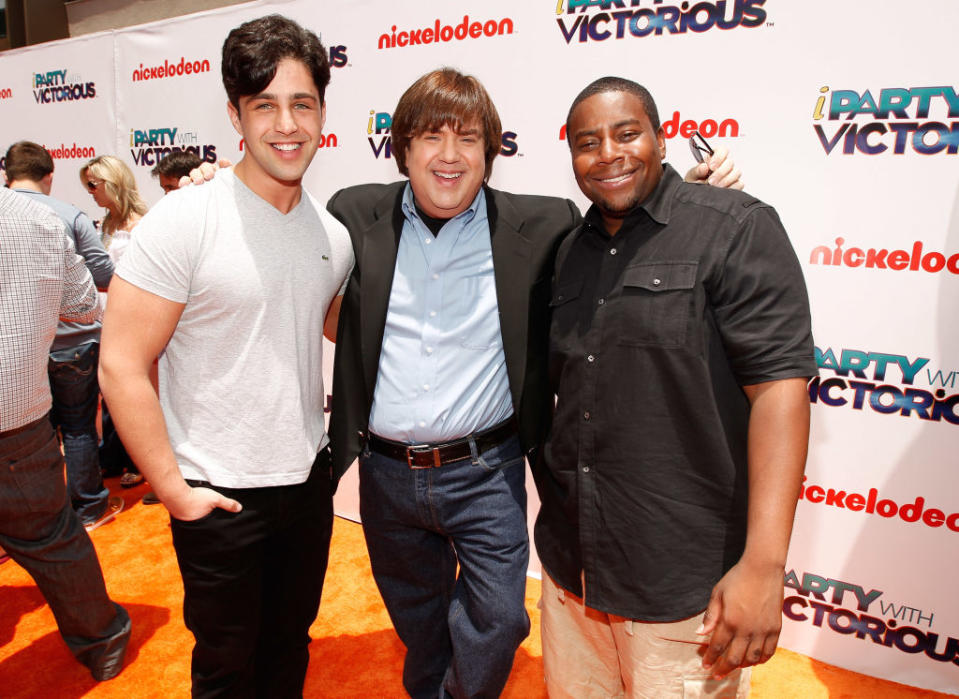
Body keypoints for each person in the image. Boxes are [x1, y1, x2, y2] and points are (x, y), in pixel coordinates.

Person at [325, 68, 741, 698]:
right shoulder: (353, 215)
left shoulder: (544, 226)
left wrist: (693, 197)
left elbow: (625, 233)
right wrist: (211, 184)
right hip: (384, 475)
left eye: (467, 139)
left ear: (491, 154)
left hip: (486, 469)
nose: (448, 156)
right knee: (418, 619)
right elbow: (287, 241)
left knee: (498, 618)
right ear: (402, 147)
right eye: (430, 137)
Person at [535, 76, 815, 697]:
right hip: (571, 572)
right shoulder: (569, 252)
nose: (608, 152)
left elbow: (780, 393)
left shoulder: (735, 227)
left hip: (681, 584)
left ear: (661, 140)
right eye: (587, 142)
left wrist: (764, 566)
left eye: (627, 133)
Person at [98, 14, 352, 697]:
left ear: (323, 112)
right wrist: (174, 490)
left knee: (288, 650)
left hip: (305, 484)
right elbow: (120, 363)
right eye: (264, 105)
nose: (286, 124)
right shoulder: (185, 220)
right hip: (219, 495)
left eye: (302, 103)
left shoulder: (332, 231)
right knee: (225, 667)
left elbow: (334, 330)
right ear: (236, 113)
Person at [0, 186, 131, 681]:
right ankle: (103, 640)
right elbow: (83, 305)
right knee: (50, 538)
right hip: (15, 415)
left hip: (17, 415)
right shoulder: (37, 220)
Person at [4, 140, 123, 530]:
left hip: (18, 352)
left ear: (8, 175)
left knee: (31, 437)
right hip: (72, 343)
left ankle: (37, 516)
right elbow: (103, 277)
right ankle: (88, 508)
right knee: (77, 429)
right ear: (50, 176)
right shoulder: (67, 216)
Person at [80, 154, 148, 265]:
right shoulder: (103, 225)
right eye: (87, 186)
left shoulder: (139, 226)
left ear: (112, 183)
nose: (90, 191)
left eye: (92, 185)